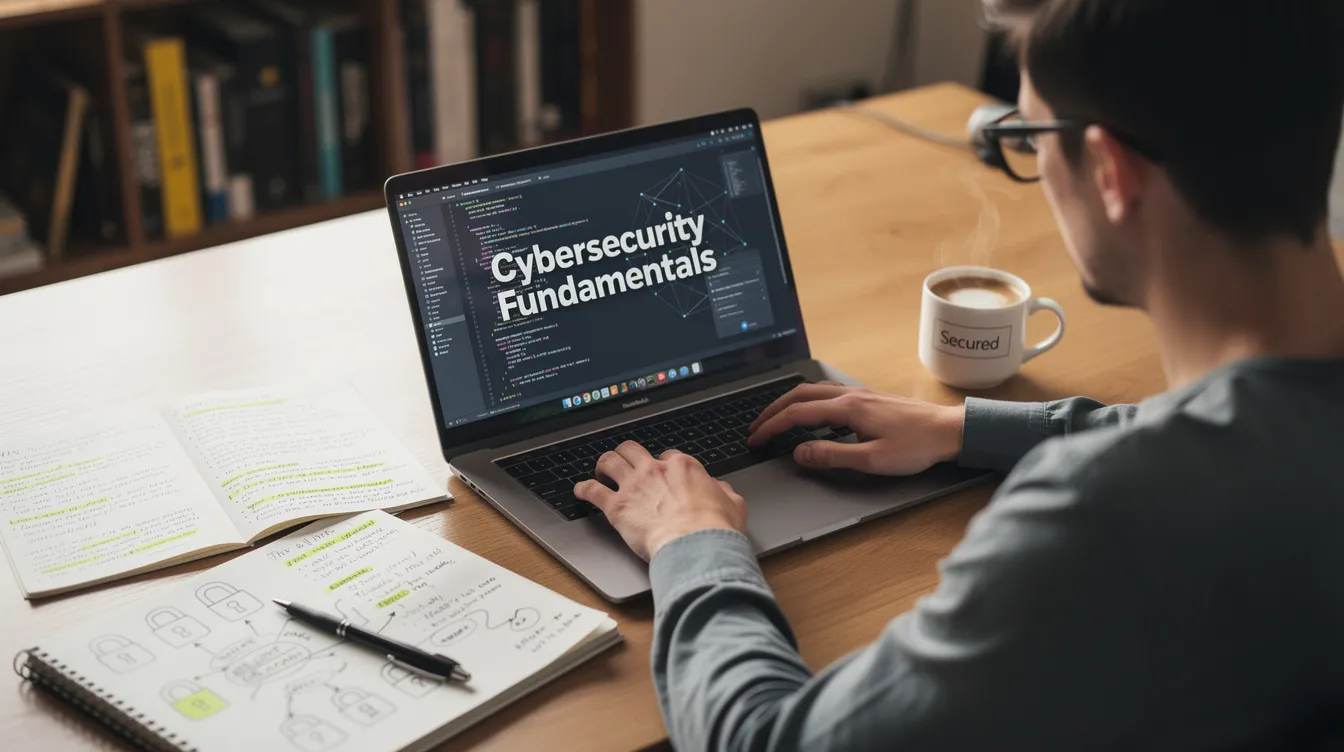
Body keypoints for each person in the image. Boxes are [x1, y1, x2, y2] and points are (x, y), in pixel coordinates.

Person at [573, 0, 1344, 749]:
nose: (1034, 166)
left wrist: (693, 540)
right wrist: (962, 427)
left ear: (1111, 172)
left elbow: (763, 739)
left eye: (1030, 137)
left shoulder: (1100, 520)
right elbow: (1233, 431)